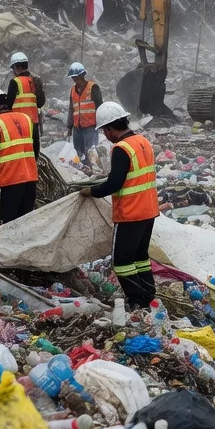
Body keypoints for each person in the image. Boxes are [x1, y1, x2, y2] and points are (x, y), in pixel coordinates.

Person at [80, 102, 160, 309]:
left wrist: (92, 191)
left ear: (108, 129)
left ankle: (136, 300)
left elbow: (115, 183)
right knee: (140, 256)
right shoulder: (142, 141)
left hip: (130, 212)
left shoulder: (121, 148)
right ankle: (148, 293)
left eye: (104, 131)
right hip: (148, 209)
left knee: (122, 261)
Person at [0, 85, 39, 224]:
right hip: (30, 180)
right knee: (25, 222)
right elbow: (35, 151)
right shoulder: (26, 119)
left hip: (8, 181)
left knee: (6, 225)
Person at [4, 51, 45, 150]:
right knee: (33, 153)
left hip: (19, 124)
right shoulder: (36, 81)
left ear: (16, 67)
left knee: (21, 151)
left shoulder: (15, 82)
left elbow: (8, 105)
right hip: (34, 124)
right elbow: (40, 103)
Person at [67, 62, 103, 169]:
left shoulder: (93, 87)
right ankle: (84, 170)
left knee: (91, 150)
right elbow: (71, 108)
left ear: (82, 76)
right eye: (73, 78)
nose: (75, 80)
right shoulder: (73, 90)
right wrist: (69, 126)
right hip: (77, 128)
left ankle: (94, 170)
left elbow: (100, 106)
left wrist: (101, 124)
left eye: (77, 77)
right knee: (79, 151)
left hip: (90, 127)